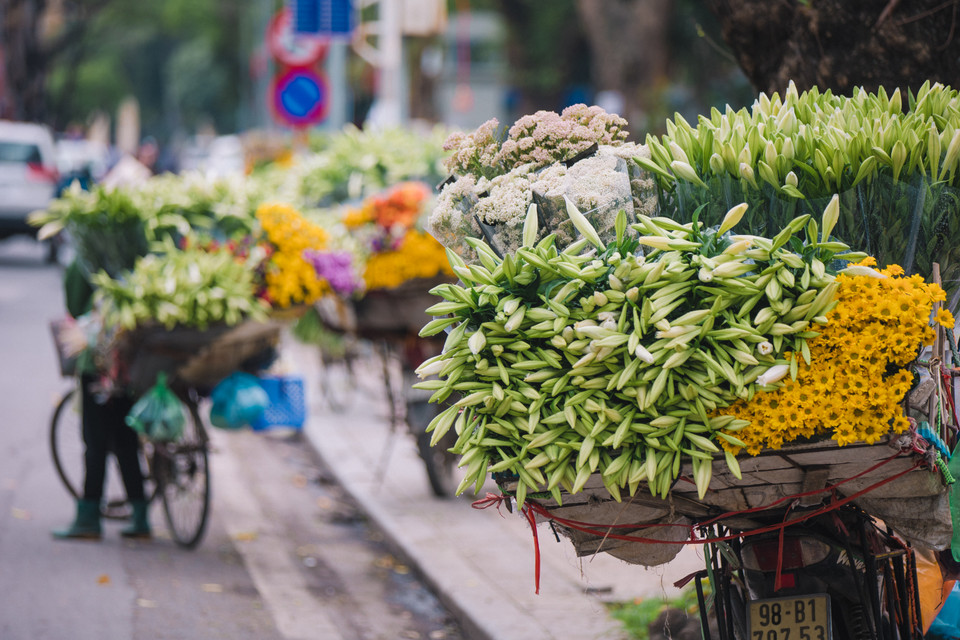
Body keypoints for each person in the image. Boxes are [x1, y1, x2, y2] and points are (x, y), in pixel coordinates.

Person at [52, 259, 150, 540]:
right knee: (126, 440)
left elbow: (74, 303)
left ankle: (88, 517)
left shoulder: (88, 257)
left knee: (95, 443)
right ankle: (140, 515)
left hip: (98, 362)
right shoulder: (136, 250)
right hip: (132, 361)